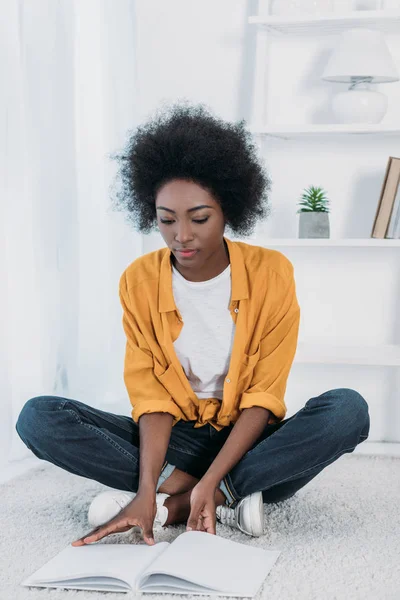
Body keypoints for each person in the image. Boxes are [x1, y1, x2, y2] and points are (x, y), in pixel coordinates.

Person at [15, 102, 370, 548]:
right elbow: (151, 395)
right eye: (166, 220)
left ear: (228, 209)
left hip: (251, 437)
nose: (181, 235)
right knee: (39, 418)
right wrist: (144, 489)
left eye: (199, 218)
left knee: (347, 410)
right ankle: (211, 495)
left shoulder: (271, 273)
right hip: (176, 438)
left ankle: (193, 498)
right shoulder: (139, 280)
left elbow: (264, 395)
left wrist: (213, 479)